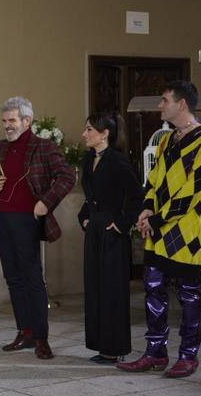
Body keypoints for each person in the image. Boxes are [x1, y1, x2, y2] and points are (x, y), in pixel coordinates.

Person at [117, 80, 201, 378]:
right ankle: (155, 352)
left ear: (181, 104)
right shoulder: (165, 140)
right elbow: (153, 181)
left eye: (164, 100)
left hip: (187, 229)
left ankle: (188, 356)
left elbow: (195, 192)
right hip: (159, 225)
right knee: (152, 289)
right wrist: (147, 209)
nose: (160, 105)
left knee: (188, 293)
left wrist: (157, 218)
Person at [0, 96, 74, 359]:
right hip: (2, 219)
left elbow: (67, 176)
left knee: (33, 279)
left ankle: (41, 338)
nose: (7, 126)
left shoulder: (43, 147)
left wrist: (46, 203)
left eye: (12, 120)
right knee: (13, 279)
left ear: (27, 120)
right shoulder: (0, 147)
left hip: (28, 220)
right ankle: (24, 332)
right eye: (4, 121)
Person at [78, 112, 143, 364]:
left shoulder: (117, 161)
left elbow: (138, 197)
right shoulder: (87, 160)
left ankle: (115, 347)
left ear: (105, 134)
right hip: (93, 230)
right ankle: (101, 346)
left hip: (112, 234)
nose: (84, 134)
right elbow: (89, 196)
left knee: (112, 291)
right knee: (95, 288)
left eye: (89, 130)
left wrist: (121, 225)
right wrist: (83, 217)